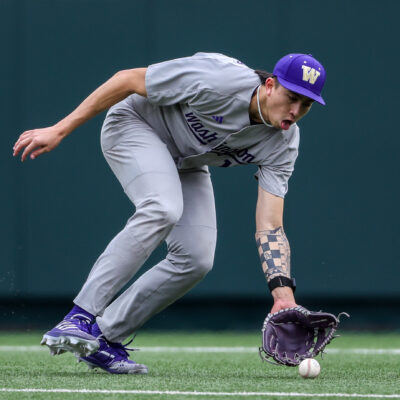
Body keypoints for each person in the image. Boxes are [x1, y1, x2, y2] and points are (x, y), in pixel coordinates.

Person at [13, 52, 326, 374]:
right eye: (292, 97)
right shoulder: (220, 79)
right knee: (162, 208)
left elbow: (271, 224)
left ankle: (104, 337)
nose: (296, 110)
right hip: (135, 125)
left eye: (307, 105)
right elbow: (126, 79)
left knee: (197, 258)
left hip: (186, 161)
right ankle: (78, 317)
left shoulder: (283, 143)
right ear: (270, 85)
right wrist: (59, 130)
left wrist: (283, 295)